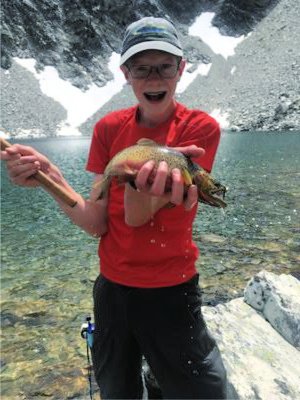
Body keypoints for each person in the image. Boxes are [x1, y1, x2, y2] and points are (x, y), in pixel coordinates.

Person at [1, 16, 227, 399]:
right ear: (126, 73)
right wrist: (48, 176)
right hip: (112, 294)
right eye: (142, 69)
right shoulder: (108, 129)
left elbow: (137, 217)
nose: (154, 79)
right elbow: (95, 222)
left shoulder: (200, 130)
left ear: (181, 69)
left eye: (164, 67)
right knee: (117, 392)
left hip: (172, 293)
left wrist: (139, 181)